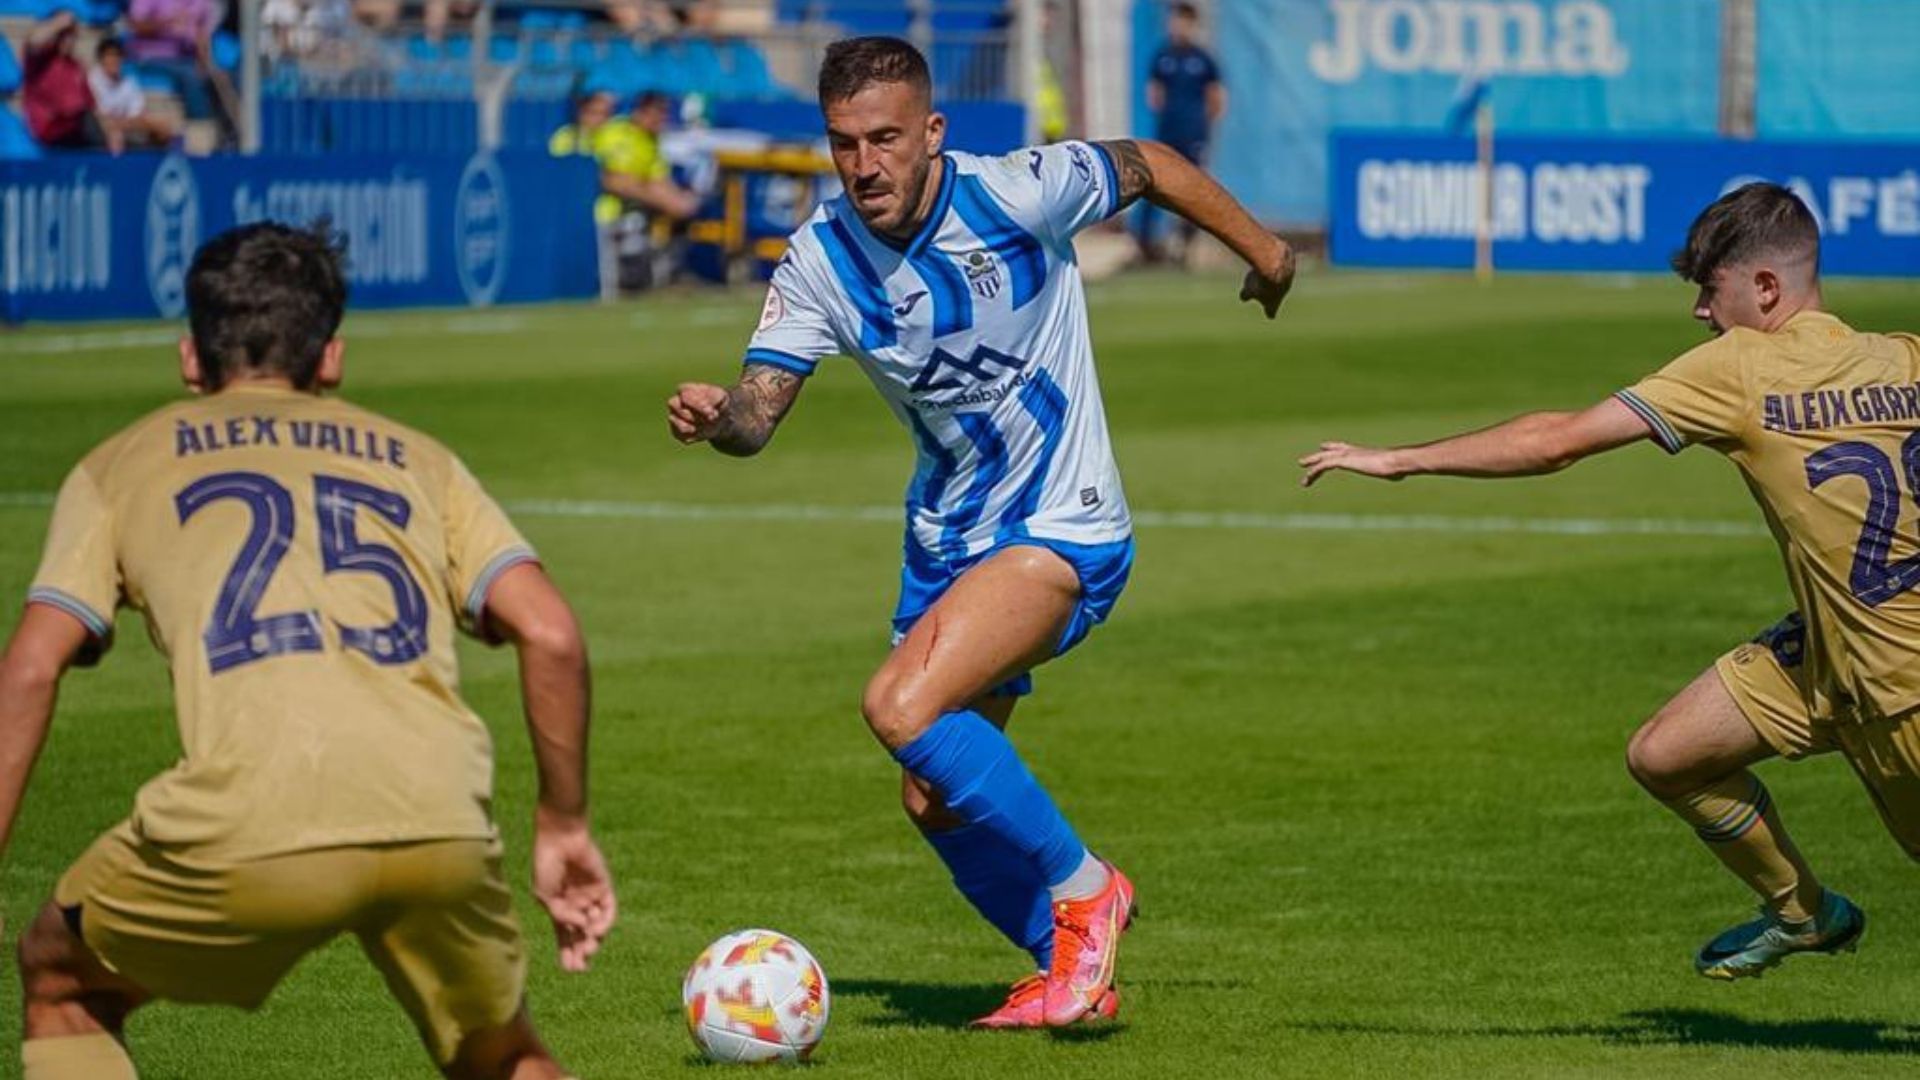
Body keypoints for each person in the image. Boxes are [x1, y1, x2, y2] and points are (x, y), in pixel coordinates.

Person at [667, 36, 1293, 1028]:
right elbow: (760, 409)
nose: (864, 165)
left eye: (885, 139)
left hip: (1062, 523)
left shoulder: (1019, 190)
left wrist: (1265, 251)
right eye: (843, 144)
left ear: (932, 132)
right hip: (949, 543)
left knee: (900, 708)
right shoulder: (822, 259)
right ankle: (1067, 971)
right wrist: (721, 422)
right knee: (934, 796)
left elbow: (1154, 163)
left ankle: (1089, 890)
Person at [0, 222, 615, 1079]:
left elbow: (30, 667)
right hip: (437, 812)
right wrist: (563, 823)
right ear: (331, 358)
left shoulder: (117, 464)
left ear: (189, 359)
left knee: (60, 981)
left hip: (248, 815)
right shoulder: (420, 459)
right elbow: (550, 632)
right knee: (502, 1056)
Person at [1299, 182, 1916, 980]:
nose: (1700, 309)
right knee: (1668, 754)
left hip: (1896, 684)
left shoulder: (1740, 364)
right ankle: (1803, 914)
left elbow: (1557, 441)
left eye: (1710, 287)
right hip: (1827, 651)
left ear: (1765, 288)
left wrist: (1401, 459)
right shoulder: (1905, 354)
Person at [1138, 1, 1224, 262]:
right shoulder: (1162, 56)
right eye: (1173, 21)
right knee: (1154, 185)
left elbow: (1216, 98)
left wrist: (1201, 124)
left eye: (1182, 21)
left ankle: (1184, 243)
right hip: (1167, 133)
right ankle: (1146, 243)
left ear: (1192, 24)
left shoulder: (1202, 59)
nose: (1177, 27)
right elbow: (1154, 95)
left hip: (1193, 133)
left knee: (1192, 188)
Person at [126, 0, 230, 133]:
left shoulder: (202, 3)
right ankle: (199, 128)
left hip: (186, 58)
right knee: (191, 75)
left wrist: (204, 64)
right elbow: (136, 25)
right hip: (150, 58)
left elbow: (203, 36)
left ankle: (228, 134)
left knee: (221, 77)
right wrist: (167, 24)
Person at [21, 10, 101, 150]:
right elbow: (34, 41)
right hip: (50, 129)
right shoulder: (39, 61)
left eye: (71, 36)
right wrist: (59, 23)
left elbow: (90, 105)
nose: (68, 40)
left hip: (75, 129)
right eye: (63, 36)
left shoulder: (76, 66)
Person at [88, 39, 176, 153]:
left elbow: (137, 115)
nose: (114, 60)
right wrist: (118, 125)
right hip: (100, 128)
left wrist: (121, 124)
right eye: (109, 55)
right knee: (114, 134)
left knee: (163, 129)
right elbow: (99, 115)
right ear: (101, 59)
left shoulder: (129, 82)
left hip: (126, 127)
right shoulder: (92, 79)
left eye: (117, 56)